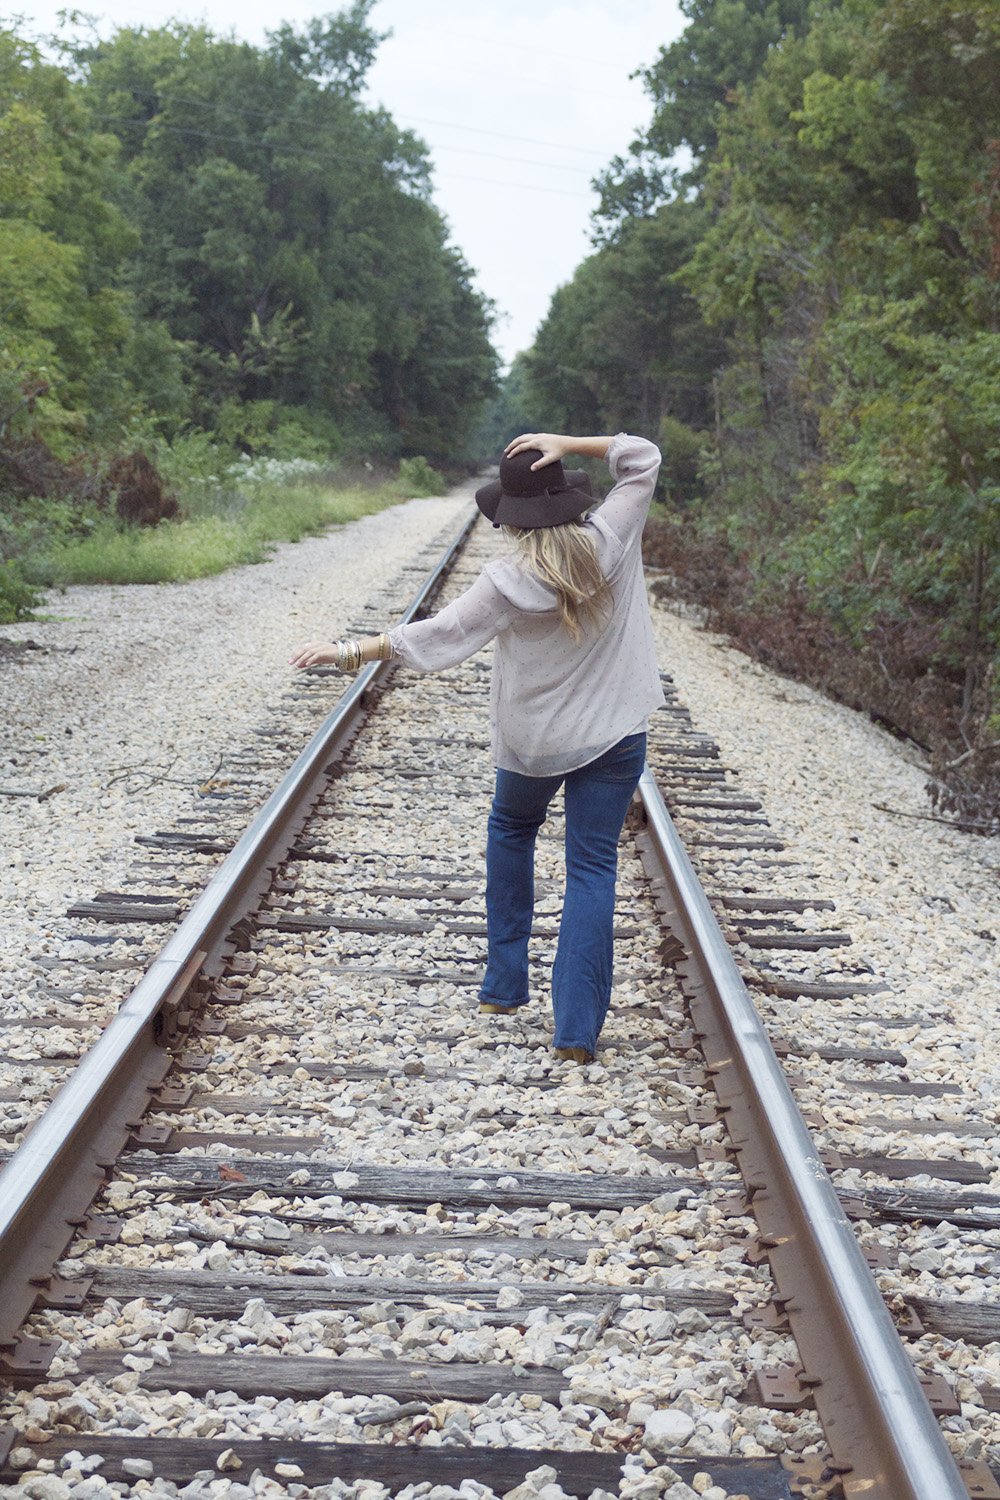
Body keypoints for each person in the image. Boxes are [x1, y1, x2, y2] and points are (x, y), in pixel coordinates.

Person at [290, 431, 664, 1063]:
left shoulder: (507, 581)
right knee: (592, 867)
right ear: (567, 496)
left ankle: (504, 985)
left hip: (532, 743)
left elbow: (436, 635)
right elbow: (642, 457)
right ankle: (575, 1033)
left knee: (512, 830)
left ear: (511, 518)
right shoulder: (613, 537)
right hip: (614, 734)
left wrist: (346, 650)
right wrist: (570, 442)